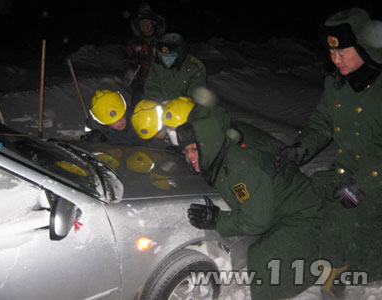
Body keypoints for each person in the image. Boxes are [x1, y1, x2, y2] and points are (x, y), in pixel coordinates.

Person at [274, 7, 382, 299]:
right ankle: (332, 274)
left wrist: (365, 184)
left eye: (343, 52)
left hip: (376, 181)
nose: (335, 60)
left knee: (353, 226)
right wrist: (301, 148)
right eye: (332, 53)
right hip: (346, 174)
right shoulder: (337, 84)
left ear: (363, 48)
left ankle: (356, 279)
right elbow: (322, 121)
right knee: (323, 209)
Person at [175, 104, 323, 300]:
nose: (190, 156)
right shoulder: (227, 139)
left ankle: (321, 257)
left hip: (305, 215)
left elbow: (256, 222)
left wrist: (217, 220)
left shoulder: (242, 166)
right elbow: (272, 147)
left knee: (263, 258)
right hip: (283, 201)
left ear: (208, 141)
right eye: (186, 151)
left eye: (194, 148)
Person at [143, 33, 207, 102]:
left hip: (184, 109)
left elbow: (195, 96)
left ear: (180, 54)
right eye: (163, 55)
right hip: (160, 106)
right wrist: (160, 103)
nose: (166, 60)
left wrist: (173, 106)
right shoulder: (157, 65)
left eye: (171, 56)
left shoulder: (194, 67)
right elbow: (151, 89)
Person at [125, 3, 166, 106]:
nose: (144, 24)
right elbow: (128, 63)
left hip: (163, 84)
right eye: (142, 22)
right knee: (138, 101)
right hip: (142, 85)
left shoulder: (165, 41)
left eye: (147, 21)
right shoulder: (133, 44)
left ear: (153, 22)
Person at [80, 89, 147, 144]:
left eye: (120, 118)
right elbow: (88, 127)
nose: (119, 124)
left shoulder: (140, 119)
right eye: (113, 122)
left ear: (124, 111)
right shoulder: (95, 123)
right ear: (103, 121)